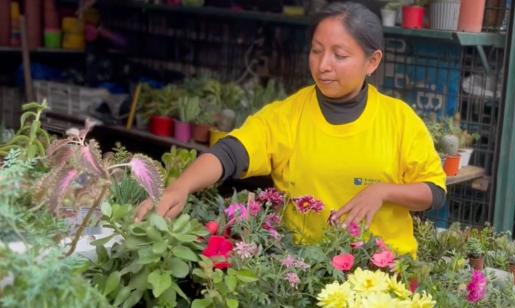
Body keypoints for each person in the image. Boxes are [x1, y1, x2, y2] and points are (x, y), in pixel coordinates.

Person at [136, 2, 446, 256]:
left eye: (339, 55)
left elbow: (433, 191)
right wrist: (180, 186)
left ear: (372, 62)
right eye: (316, 50)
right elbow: (230, 153)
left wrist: (383, 191)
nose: (323, 64)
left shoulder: (398, 120)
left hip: (385, 276)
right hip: (305, 272)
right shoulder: (287, 116)